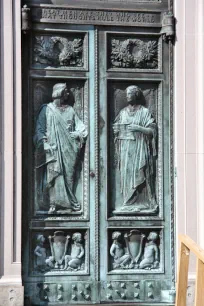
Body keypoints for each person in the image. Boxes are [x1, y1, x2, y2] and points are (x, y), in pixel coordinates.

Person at [34, 83, 88, 214]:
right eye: (66, 91)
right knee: (54, 174)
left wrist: (78, 133)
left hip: (69, 149)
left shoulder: (70, 109)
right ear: (59, 92)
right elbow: (39, 130)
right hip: (53, 149)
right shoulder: (46, 109)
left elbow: (82, 127)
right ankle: (53, 204)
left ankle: (69, 202)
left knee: (69, 176)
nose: (68, 94)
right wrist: (44, 143)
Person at [113, 85, 157, 213]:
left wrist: (139, 128)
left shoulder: (144, 112)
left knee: (140, 172)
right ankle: (128, 202)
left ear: (136, 95)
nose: (127, 96)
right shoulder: (123, 113)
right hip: (126, 149)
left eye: (129, 94)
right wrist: (116, 130)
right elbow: (116, 129)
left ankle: (143, 203)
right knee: (126, 174)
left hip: (140, 148)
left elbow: (152, 131)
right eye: (126, 94)